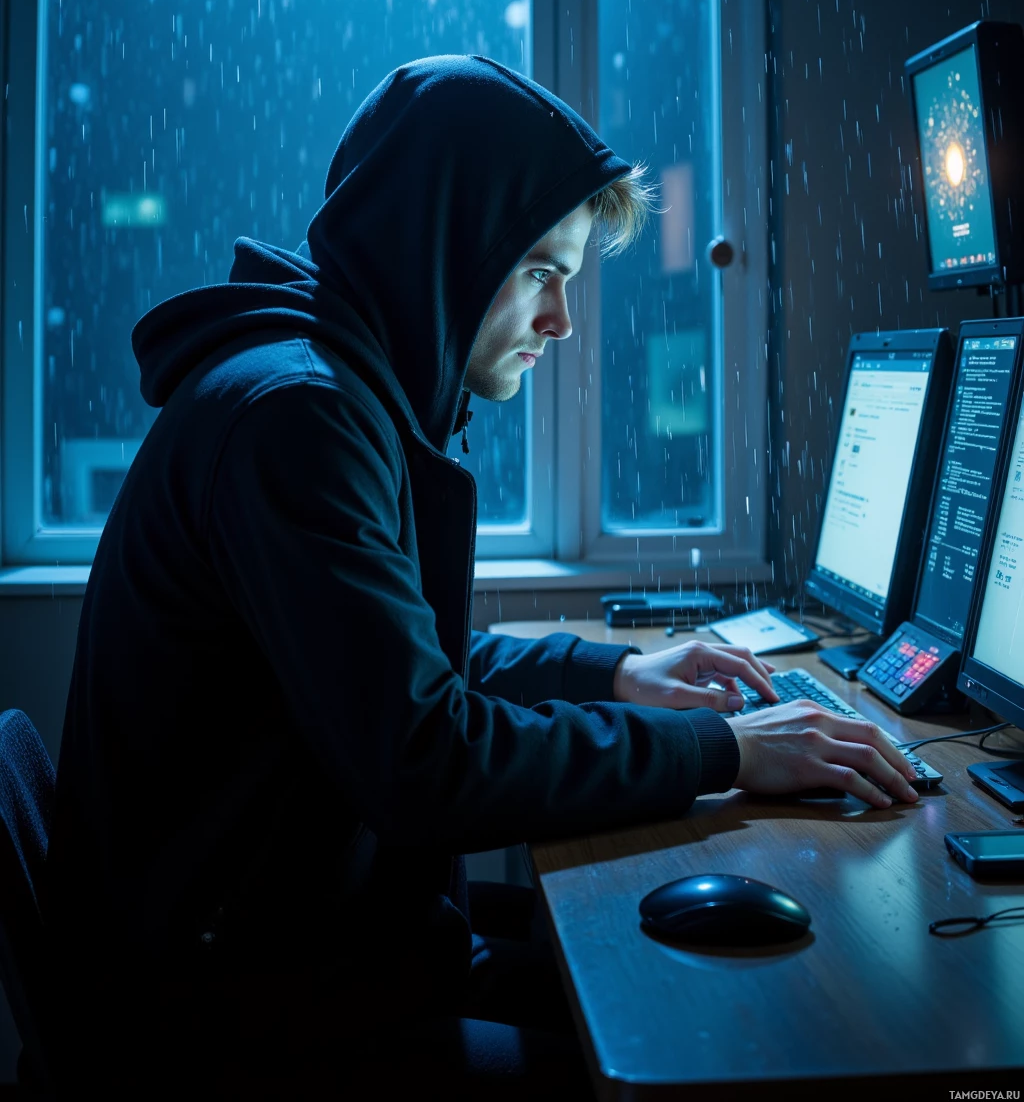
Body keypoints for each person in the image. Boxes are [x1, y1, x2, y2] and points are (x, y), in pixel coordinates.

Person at [43, 55, 920, 1099]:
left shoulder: (329, 393)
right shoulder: (299, 421)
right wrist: (726, 750)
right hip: (223, 1023)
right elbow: (427, 762)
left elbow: (404, 667)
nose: (561, 322)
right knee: (713, 1052)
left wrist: (614, 676)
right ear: (442, 248)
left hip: (291, 950)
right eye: (543, 272)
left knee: (688, 1006)